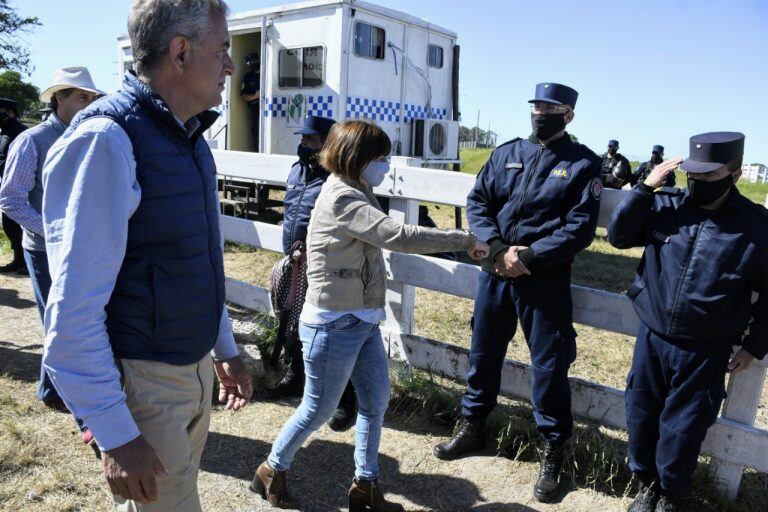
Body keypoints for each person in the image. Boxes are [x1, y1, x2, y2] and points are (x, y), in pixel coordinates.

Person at [41, 1, 252, 510]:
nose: (230, 66)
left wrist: (224, 348)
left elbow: (194, 263)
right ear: (179, 52)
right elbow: (71, 319)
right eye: (222, 50)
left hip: (188, 370)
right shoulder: (108, 140)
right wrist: (116, 434)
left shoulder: (190, 138)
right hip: (145, 383)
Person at [251, 119, 489, 510]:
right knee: (319, 408)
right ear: (357, 157)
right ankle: (271, 469)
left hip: (360, 319)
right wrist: (464, 240)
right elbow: (396, 235)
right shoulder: (343, 197)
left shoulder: (358, 187)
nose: (386, 165)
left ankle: (366, 485)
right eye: (380, 157)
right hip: (334, 322)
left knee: (375, 400)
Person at [433, 82, 603, 503]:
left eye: (551, 107)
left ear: (569, 115)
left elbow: (578, 228)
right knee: (484, 351)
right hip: (494, 273)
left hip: (542, 280)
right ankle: (473, 427)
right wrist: (494, 249)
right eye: (537, 105)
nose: (541, 112)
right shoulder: (506, 153)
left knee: (549, 366)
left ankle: (553, 451)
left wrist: (528, 256)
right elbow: (479, 204)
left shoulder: (583, 164)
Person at [608, 132, 767, 512]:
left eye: (708, 177)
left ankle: (669, 494)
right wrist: (644, 189)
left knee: (684, 426)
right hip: (653, 336)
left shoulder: (757, 227)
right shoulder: (666, 205)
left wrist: (755, 344)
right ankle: (646, 484)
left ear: (735, 173)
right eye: (692, 176)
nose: (697, 184)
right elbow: (618, 236)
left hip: (705, 346)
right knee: (642, 413)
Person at [269, 114, 359, 428]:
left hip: (322, 264)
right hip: (295, 260)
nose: (303, 143)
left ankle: (346, 396)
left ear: (326, 143)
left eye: (310, 139)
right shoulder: (298, 170)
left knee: (327, 331)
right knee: (293, 320)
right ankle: (296, 375)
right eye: (303, 138)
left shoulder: (336, 176)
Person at [0, 97, 28, 274]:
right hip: (7, 185)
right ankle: (18, 259)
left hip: (22, 188)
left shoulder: (21, 133)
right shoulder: (4, 132)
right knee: (9, 225)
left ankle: (26, 261)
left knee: (21, 226)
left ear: (10, 113)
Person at [241, 51, 261, 149]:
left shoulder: (267, 74)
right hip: (255, 110)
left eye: (253, 62)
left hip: (268, 110)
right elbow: (244, 96)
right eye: (250, 63)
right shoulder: (248, 77)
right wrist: (255, 96)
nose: (252, 64)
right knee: (256, 132)